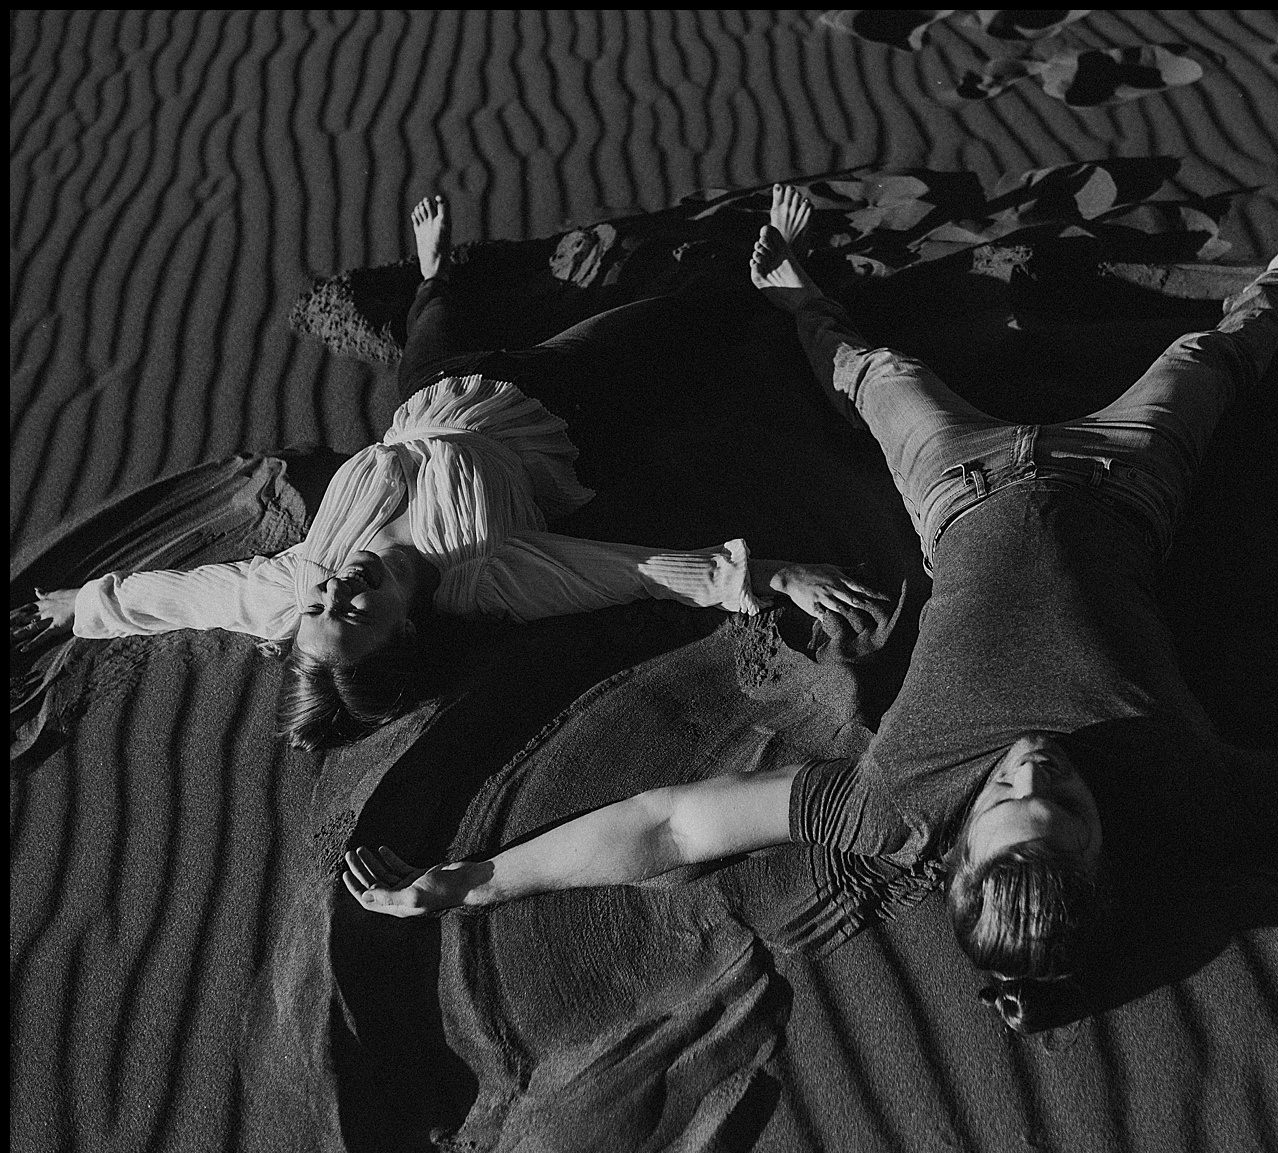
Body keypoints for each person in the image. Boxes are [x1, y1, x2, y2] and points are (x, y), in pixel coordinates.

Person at [340, 185, 1278, 1030]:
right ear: (1111, 855)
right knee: (1220, 362)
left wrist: (477, 879)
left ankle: (793, 287)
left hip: (956, 490)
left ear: (956, 856)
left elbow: (660, 828)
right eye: (1067, 812)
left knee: (863, 373)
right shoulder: (1189, 791)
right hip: (1120, 485)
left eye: (1010, 809)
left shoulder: (893, 806)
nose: (1036, 776)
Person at [9, 194, 887, 750]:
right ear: (407, 631)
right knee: (680, 320)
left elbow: (184, 597)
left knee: (433, 322)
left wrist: (76, 607)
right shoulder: (492, 576)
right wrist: (772, 575)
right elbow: (641, 573)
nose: (335, 592)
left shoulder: (290, 588)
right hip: (556, 397)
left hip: (428, 397)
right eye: (356, 613)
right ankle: (779, 277)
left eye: (319, 608)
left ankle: (434, 273)